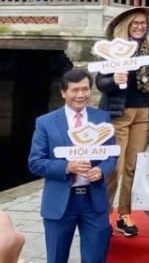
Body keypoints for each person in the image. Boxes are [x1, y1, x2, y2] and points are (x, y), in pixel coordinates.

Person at [28, 69, 117, 263]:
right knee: (57, 258)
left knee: (95, 258)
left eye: (85, 89)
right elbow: (35, 162)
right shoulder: (46, 122)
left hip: (93, 201)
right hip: (59, 203)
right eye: (75, 90)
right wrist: (67, 167)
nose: (81, 95)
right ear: (63, 93)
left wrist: (101, 170)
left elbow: (111, 155)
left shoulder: (102, 119)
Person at [96, 6, 149, 237]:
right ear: (126, 25)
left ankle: (125, 213)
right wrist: (114, 79)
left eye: (144, 23)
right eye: (135, 23)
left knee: (132, 166)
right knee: (114, 166)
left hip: (142, 113)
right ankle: (103, 214)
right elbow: (100, 84)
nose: (140, 27)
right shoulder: (113, 50)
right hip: (118, 114)